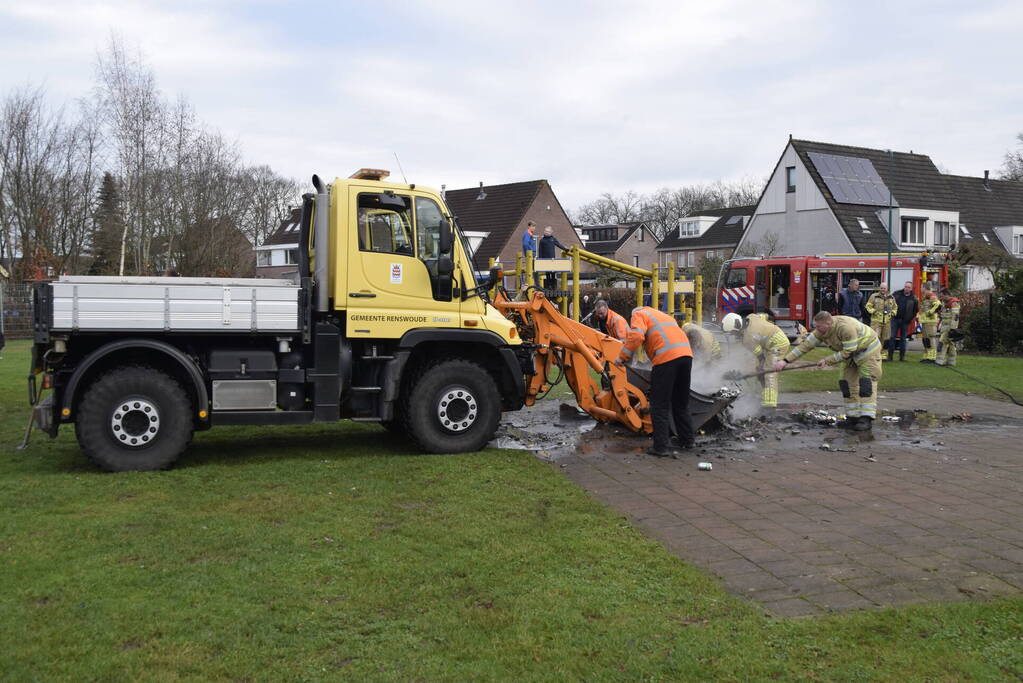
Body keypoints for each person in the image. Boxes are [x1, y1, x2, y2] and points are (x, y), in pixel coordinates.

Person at [775, 311, 882, 431]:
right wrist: (785, 361)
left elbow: (848, 351)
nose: (816, 329)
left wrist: (827, 360)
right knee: (846, 383)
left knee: (866, 384)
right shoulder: (821, 331)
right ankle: (853, 418)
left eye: (818, 326)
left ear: (829, 323)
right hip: (851, 354)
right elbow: (804, 346)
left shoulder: (845, 328)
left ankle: (866, 419)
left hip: (867, 351)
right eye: (815, 326)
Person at [616, 306, 693, 457]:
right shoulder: (663, 316)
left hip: (666, 359)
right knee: (680, 403)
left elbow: (637, 337)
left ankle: (661, 447)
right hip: (686, 356)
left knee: (659, 405)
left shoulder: (638, 314)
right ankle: (687, 441)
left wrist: (622, 357)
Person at [722, 311, 789, 409]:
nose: (733, 334)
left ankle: (769, 406)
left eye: (733, 332)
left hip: (778, 345)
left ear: (737, 328)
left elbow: (760, 355)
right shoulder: (751, 317)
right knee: (760, 370)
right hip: (770, 343)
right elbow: (764, 316)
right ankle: (765, 394)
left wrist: (762, 367)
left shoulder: (748, 338)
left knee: (769, 373)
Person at [889, 281, 918, 362]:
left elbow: (915, 311)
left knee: (903, 339)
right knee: (892, 337)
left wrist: (909, 319)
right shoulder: (896, 294)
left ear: (911, 288)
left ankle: (902, 357)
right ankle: (890, 356)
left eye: (908, 287)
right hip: (895, 319)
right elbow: (890, 304)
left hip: (905, 322)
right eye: (906, 286)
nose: (906, 288)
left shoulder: (914, 298)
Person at [865, 285, 895, 359]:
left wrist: (893, 313)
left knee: (886, 338)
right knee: (875, 338)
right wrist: (874, 311)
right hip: (876, 322)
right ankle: (874, 354)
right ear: (880, 288)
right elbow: (868, 306)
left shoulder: (891, 297)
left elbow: (895, 307)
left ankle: (884, 355)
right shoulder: (874, 296)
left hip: (887, 322)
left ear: (887, 289)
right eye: (881, 288)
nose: (883, 289)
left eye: (884, 288)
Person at [935, 288, 961, 367]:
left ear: (947, 295)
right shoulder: (945, 303)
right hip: (944, 327)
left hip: (949, 328)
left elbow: (955, 317)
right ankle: (951, 362)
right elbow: (943, 315)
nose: (941, 298)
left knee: (942, 343)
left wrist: (953, 329)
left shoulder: (954, 303)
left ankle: (939, 361)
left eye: (942, 296)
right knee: (951, 345)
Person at [538, 226, 569, 290]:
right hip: (545, 259)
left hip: (552, 259)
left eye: (548, 231)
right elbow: (540, 250)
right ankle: (548, 286)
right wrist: (540, 259)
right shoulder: (542, 240)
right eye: (545, 231)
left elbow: (558, 245)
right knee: (548, 273)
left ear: (551, 232)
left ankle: (553, 286)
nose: (546, 232)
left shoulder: (553, 239)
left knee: (553, 272)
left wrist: (565, 249)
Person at [918, 288, 942, 363]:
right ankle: (927, 355)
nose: (922, 291)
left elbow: (938, 305)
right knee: (925, 339)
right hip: (925, 321)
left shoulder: (932, 296)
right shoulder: (925, 297)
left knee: (931, 338)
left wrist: (930, 312)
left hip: (931, 322)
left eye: (923, 289)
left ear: (927, 289)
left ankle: (932, 357)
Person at [520, 221, 537, 288]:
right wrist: (530, 251)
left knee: (532, 269)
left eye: (534, 226)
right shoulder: (527, 233)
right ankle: (528, 284)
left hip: (531, 253)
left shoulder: (530, 234)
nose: (534, 228)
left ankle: (531, 283)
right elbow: (525, 243)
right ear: (529, 226)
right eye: (532, 226)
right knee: (531, 269)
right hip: (530, 253)